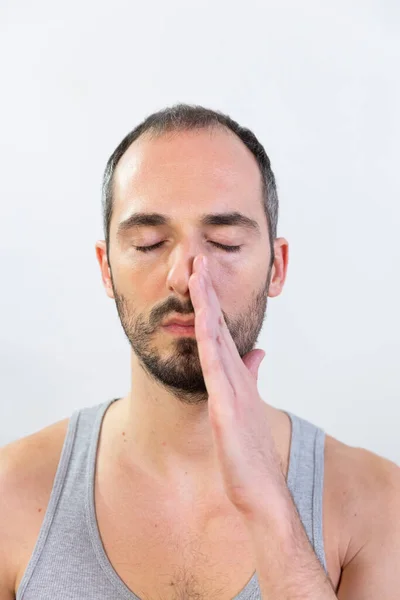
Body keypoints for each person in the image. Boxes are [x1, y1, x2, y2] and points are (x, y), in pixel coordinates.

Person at [1, 104, 399, 600]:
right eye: (148, 242)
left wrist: (269, 506)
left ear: (277, 267)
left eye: (224, 242)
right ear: (106, 269)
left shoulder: (380, 504)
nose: (187, 278)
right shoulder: (9, 495)